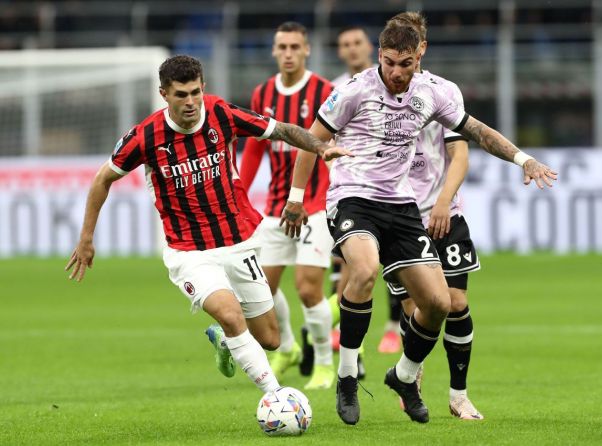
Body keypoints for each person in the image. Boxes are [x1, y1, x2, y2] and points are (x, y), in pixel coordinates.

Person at [281, 23, 557, 425]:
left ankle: (405, 376)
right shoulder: (354, 90)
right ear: (379, 54)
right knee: (364, 268)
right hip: (353, 197)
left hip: (402, 206)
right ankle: (346, 377)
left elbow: (477, 131)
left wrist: (523, 159)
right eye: (389, 62)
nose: (396, 72)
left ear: (419, 56)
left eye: (405, 64)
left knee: (440, 303)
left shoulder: (433, 93)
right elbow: (312, 138)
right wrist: (295, 197)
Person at [64, 55, 350, 396]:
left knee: (270, 339)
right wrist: (86, 238)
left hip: (237, 240)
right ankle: (277, 397)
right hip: (189, 251)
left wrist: (319, 146)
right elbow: (102, 179)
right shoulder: (145, 136)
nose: (190, 102)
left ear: (204, 88)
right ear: (164, 94)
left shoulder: (221, 114)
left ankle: (226, 343)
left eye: (195, 92)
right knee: (230, 315)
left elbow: (282, 130)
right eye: (181, 94)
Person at [385, 11, 482, 420]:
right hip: (396, 216)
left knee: (456, 303)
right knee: (418, 311)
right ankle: (411, 375)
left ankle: (458, 395)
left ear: (422, 47)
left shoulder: (444, 91)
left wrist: (444, 201)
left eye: (414, 46)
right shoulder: (373, 91)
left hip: (444, 213)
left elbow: (460, 151)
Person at [238, 22, 336, 390]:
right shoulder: (262, 93)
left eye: (296, 46)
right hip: (276, 207)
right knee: (261, 286)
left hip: (314, 206)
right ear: (275, 51)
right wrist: (239, 196)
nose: (289, 52)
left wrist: (327, 202)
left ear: (307, 50)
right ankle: (290, 349)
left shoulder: (325, 91)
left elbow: (330, 152)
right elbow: (254, 150)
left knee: (308, 288)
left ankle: (325, 364)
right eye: (283, 46)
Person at [331, 25, 402, 356]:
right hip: (348, 190)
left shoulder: (400, 84)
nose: (351, 49)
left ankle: (392, 328)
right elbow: (322, 137)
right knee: (351, 265)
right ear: (340, 51)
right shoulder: (336, 89)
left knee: (390, 265)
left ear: (370, 47)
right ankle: (345, 336)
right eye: (345, 44)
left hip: (390, 191)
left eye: (357, 42)